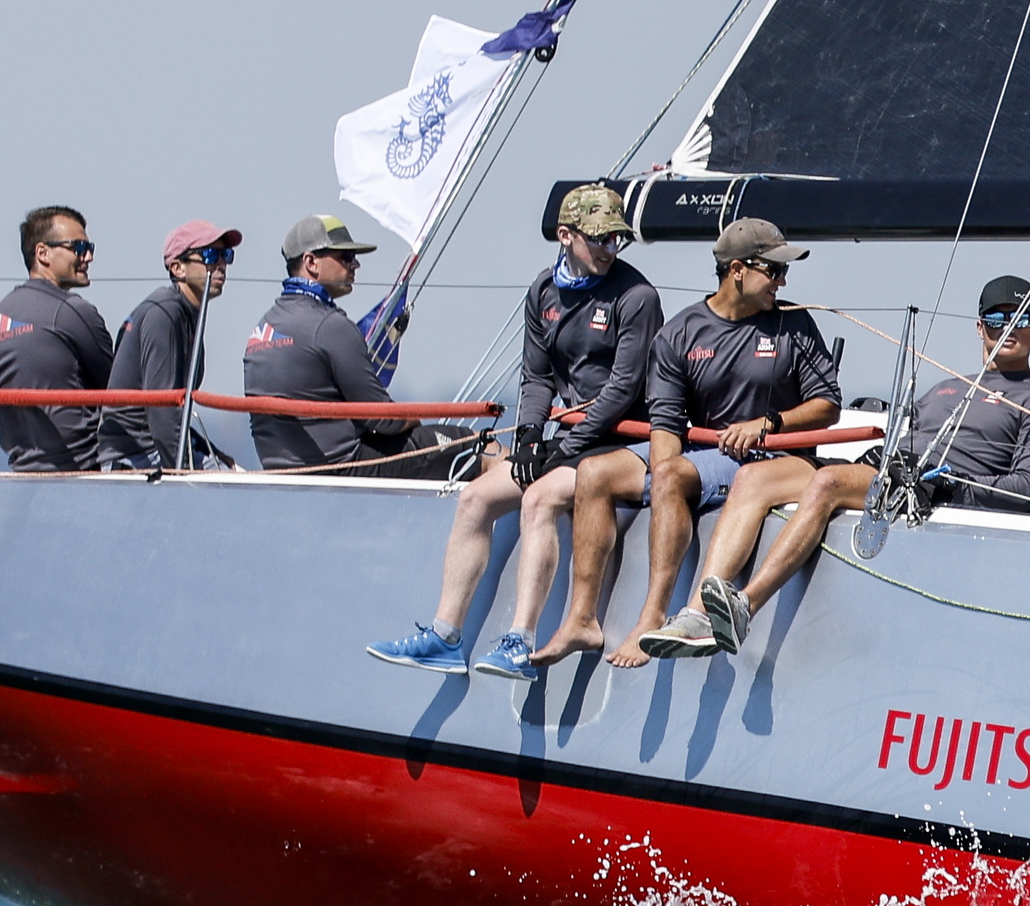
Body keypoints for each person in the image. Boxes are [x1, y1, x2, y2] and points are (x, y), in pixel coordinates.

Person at [373, 186, 664, 678]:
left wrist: (562, 449)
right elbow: (537, 377)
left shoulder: (637, 297)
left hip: (624, 442)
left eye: (617, 239)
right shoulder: (542, 291)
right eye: (598, 239)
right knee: (476, 498)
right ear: (565, 235)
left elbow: (622, 390)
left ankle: (519, 641)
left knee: (538, 498)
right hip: (570, 441)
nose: (608, 250)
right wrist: (530, 436)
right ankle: (445, 635)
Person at [555, 217, 842, 666]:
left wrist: (768, 423)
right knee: (595, 473)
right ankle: (581, 619)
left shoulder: (795, 325)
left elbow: (828, 405)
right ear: (738, 270)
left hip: (775, 456)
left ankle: (652, 614)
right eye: (775, 271)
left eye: (785, 273)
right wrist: (668, 485)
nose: (783, 282)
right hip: (705, 454)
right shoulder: (681, 332)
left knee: (671, 475)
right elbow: (665, 424)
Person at [241, 213, 428, 474]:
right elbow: (382, 417)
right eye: (346, 257)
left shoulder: (263, 327)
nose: (356, 265)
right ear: (311, 262)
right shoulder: (330, 325)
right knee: (475, 449)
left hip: (281, 472)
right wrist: (415, 422)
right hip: (341, 469)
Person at [887, 274, 1030, 510]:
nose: (1007, 328)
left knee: (826, 482)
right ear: (980, 327)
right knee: (826, 471)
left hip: (924, 492)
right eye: (995, 320)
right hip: (886, 475)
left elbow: (1027, 487)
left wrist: (954, 486)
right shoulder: (943, 388)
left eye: (1020, 319)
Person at [0, 205, 114, 471]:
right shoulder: (72, 311)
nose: (87, 257)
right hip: (80, 473)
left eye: (90, 248)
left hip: (23, 471)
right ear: (42, 253)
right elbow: (118, 387)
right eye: (77, 248)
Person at [105, 221, 242, 471]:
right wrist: (184, 477)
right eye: (210, 255)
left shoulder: (186, 313)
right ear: (178, 268)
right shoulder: (165, 314)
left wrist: (215, 453)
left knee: (237, 477)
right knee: (233, 493)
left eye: (226, 255)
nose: (221, 265)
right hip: (136, 453)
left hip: (153, 446)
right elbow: (161, 409)